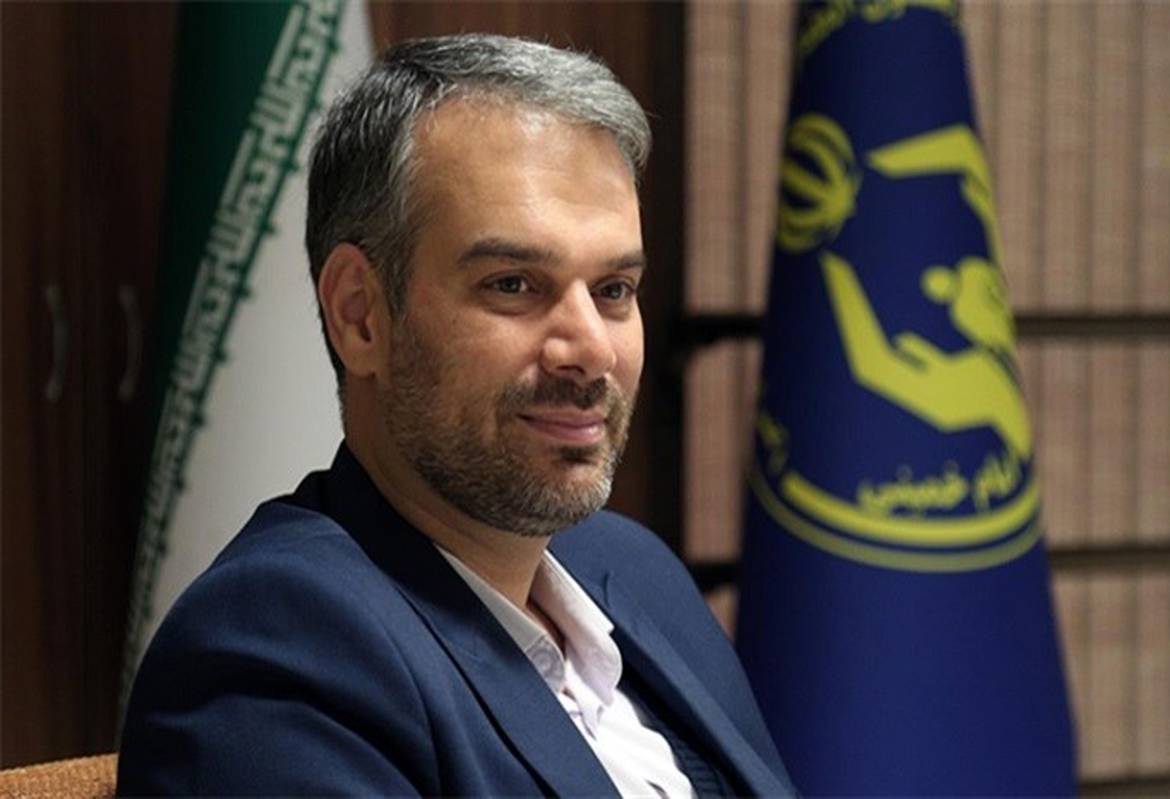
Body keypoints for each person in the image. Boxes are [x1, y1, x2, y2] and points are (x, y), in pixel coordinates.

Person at [118, 34, 794, 797]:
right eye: (513, 284)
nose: (591, 350)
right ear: (360, 314)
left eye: (613, 290)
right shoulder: (272, 654)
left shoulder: (635, 570)